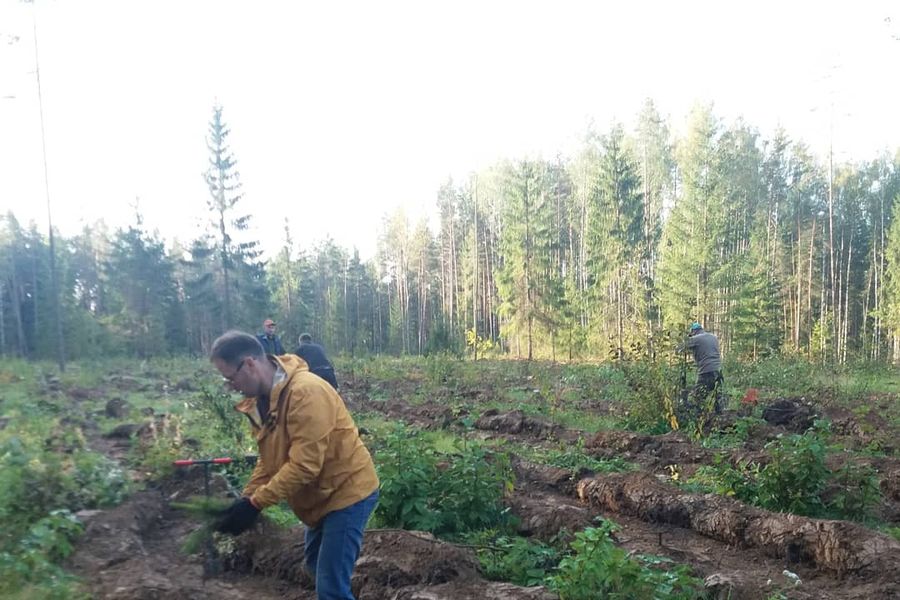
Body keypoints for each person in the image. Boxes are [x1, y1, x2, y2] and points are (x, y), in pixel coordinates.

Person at [210, 330, 379, 600]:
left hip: (347, 492)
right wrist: (246, 499)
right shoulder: (261, 401)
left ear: (250, 364)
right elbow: (269, 461)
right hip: (319, 497)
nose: (230, 387)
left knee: (331, 588)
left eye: (230, 378)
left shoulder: (305, 392)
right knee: (315, 566)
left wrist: (256, 504)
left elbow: (304, 465)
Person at [677, 322, 724, 413]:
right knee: (717, 396)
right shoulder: (713, 337)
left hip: (706, 371)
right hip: (718, 370)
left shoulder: (696, 339)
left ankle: (698, 418)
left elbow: (679, 348)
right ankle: (719, 418)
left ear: (693, 331)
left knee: (698, 397)